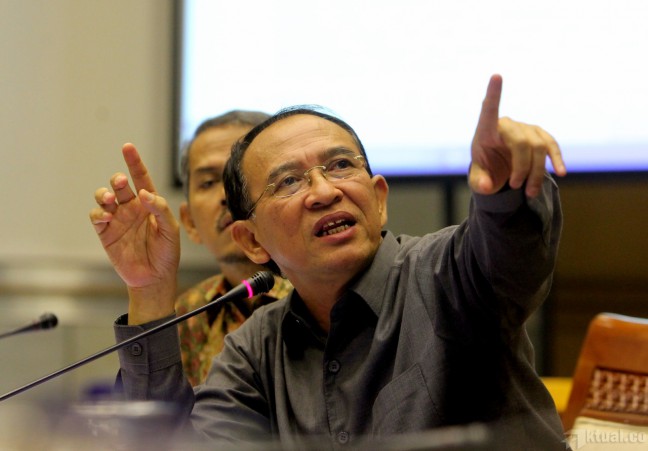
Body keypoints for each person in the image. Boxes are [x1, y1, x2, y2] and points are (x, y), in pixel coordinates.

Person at [90, 75, 568, 449]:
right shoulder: (255, 351)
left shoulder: (449, 274)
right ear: (251, 240)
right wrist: (149, 291)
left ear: (379, 200)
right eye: (288, 181)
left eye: (340, 165)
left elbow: (514, 254)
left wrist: (506, 187)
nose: (324, 191)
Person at [175, 111, 292, 386]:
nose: (227, 195)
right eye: (208, 182)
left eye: (241, 175)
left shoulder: (323, 293)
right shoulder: (188, 313)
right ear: (189, 222)